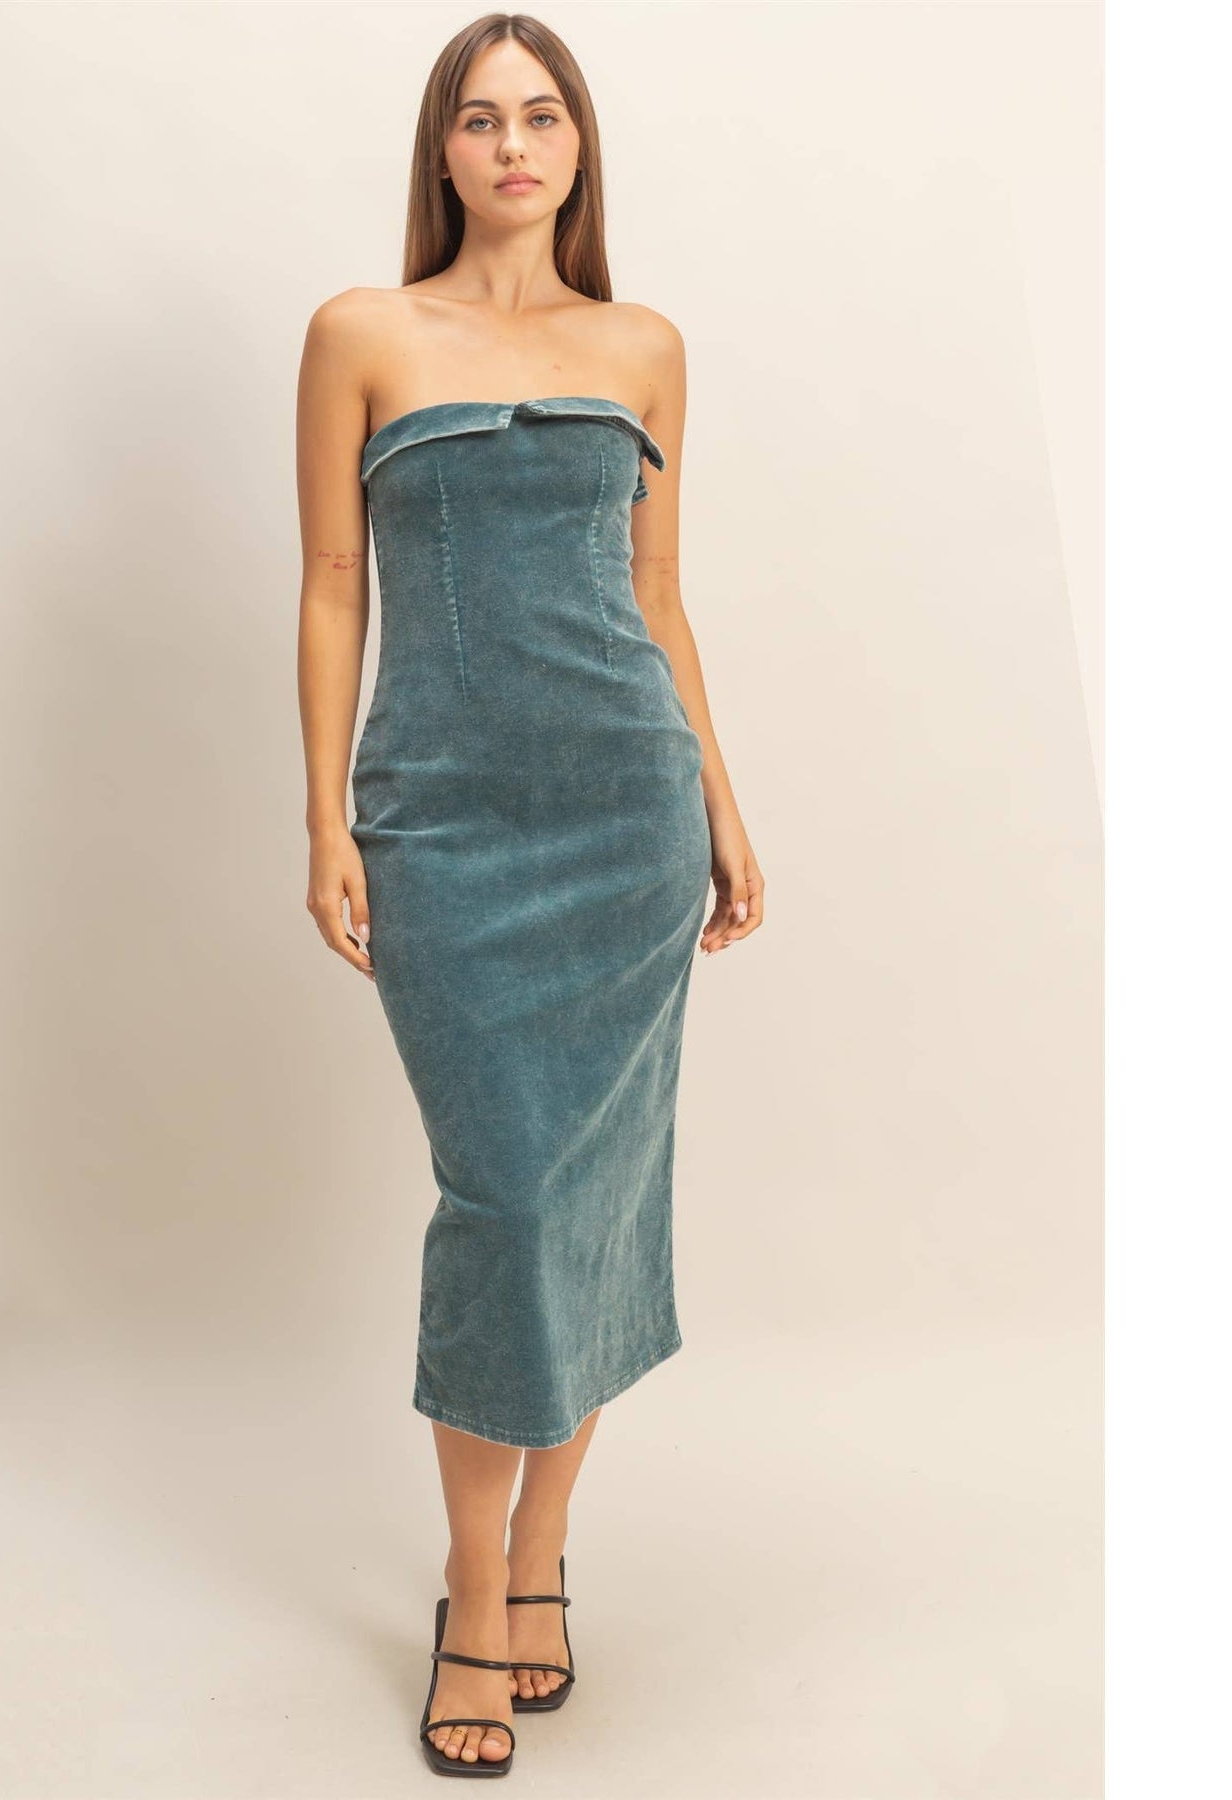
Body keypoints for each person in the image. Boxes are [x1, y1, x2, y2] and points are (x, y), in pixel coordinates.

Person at [295, 12, 763, 1777]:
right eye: (482, 119)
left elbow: (659, 591)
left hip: (626, 813)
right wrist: (326, 815)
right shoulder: (361, 332)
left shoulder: (643, 347)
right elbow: (332, 582)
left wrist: (720, 800)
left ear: (578, 148)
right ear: (443, 148)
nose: (512, 145)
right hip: (441, 816)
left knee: (591, 1201)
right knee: (499, 1196)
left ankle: (534, 1558)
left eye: (542, 116)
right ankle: (473, 1582)